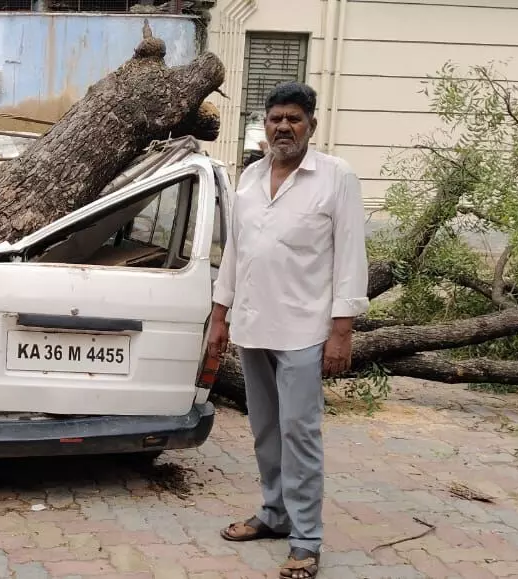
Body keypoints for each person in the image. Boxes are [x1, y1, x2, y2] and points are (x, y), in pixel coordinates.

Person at [208, 81, 369, 579]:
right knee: (265, 429)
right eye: (276, 118)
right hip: (253, 324)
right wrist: (219, 316)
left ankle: (306, 539)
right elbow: (235, 254)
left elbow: (351, 257)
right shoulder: (251, 177)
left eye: (294, 119)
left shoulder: (336, 177)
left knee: (300, 432)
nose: (284, 127)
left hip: (304, 329)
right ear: (265, 124)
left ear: (311, 125)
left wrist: (341, 331)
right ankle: (275, 514)